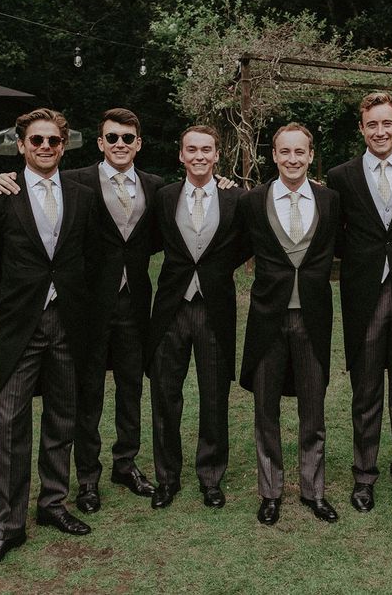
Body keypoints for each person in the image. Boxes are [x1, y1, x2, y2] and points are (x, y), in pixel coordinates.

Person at [0, 108, 164, 512]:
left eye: (128, 138)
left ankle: (127, 462)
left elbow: (155, 237)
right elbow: (32, 190)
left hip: (135, 304)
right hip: (85, 308)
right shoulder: (74, 181)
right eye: (112, 138)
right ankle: (88, 477)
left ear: (138, 143)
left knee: (131, 389)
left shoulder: (155, 187)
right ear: (100, 143)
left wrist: (224, 181)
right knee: (86, 394)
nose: (120, 144)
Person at [0, 108, 99, 570]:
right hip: (19, 327)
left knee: (63, 417)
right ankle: (8, 527)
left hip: (69, 324)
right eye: (37, 141)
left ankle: (53, 503)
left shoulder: (83, 196)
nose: (46, 148)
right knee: (11, 424)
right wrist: (12, 309)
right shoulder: (0, 196)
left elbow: (91, 257)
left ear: (64, 146)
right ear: (21, 145)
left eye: (54, 141)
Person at [327, 92, 392, 515]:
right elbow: (336, 237)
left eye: (386, 123)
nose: (380, 131)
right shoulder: (342, 176)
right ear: (362, 129)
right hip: (364, 297)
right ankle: (364, 478)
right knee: (366, 393)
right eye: (372, 124)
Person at [240, 123, 340, 525]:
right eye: (285, 152)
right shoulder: (253, 201)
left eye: (300, 152)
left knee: (312, 410)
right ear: (274, 156)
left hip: (313, 318)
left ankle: (313, 491)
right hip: (267, 318)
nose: (293, 159)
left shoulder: (331, 200)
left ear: (310, 155)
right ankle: (270, 492)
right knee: (266, 410)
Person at [147, 125, 249, 510]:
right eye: (192, 149)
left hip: (215, 308)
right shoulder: (164, 196)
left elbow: (246, 242)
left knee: (214, 395)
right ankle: (167, 478)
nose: (199, 156)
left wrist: (216, 269)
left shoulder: (235, 198)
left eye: (206, 149)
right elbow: (154, 238)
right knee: (165, 397)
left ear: (217, 154)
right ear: (181, 155)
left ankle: (210, 476)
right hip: (170, 309)